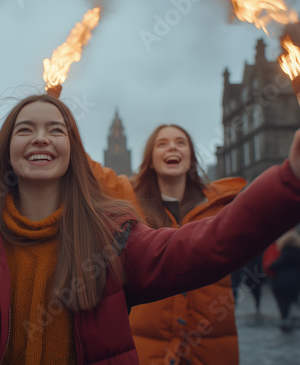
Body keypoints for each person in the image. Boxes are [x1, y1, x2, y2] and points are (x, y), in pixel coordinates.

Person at [0, 95, 300, 365]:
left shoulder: (116, 236)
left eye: (55, 128)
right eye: (25, 128)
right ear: (7, 151)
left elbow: (209, 245)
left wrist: (289, 181)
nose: (40, 136)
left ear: (72, 151)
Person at [89, 124, 245, 365]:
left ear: (191, 158)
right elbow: (88, 169)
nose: (172, 146)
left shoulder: (221, 206)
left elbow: (263, 211)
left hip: (211, 350)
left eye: (180, 142)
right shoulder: (129, 199)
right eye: (162, 143)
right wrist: (54, 99)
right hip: (149, 352)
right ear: (150, 160)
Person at [263, 226, 300, 332]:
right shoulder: (297, 251)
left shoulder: (286, 250)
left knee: (283, 302)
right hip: (296, 281)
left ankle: (285, 320)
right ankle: (290, 318)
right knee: (292, 299)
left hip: (281, 281)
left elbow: (277, 264)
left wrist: (270, 265)